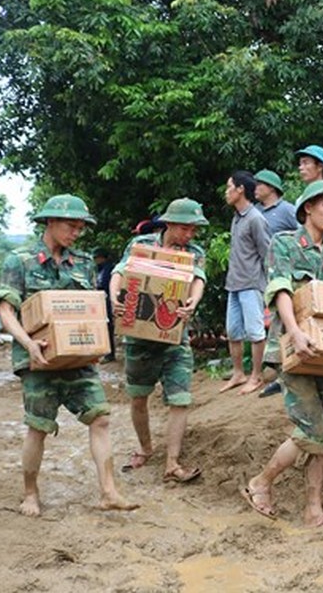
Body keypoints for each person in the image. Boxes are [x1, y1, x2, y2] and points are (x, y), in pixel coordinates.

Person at [0, 194, 139, 517]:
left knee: (100, 417)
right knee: (39, 426)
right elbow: (5, 309)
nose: (76, 233)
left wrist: (96, 345)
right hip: (38, 360)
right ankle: (30, 494)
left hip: (78, 360)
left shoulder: (84, 262)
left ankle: (109, 491)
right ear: (49, 222)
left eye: (80, 228)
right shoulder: (20, 260)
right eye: (70, 226)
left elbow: (88, 310)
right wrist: (28, 343)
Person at [243, 180, 323, 526]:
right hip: (294, 350)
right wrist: (295, 333)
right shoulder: (285, 244)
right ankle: (261, 482)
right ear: (308, 208)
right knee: (311, 429)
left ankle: (314, 510)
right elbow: (279, 288)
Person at [110, 198, 209, 483]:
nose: (189, 235)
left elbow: (197, 279)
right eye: (184, 229)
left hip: (176, 338)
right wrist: (115, 297)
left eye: (193, 230)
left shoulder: (194, 252)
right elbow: (120, 272)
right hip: (139, 339)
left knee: (180, 400)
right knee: (138, 397)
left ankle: (172, 462)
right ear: (168, 224)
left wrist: (193, 302)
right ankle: (145, 447)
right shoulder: (142, 245)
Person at [220, 171, 273, 395]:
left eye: (229, 186)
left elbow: (267, 254)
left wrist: (270, 289)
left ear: (240, 189)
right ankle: (238, 372)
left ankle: (257, 375)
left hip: (252, 285)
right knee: (233, 332)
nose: (226, 192)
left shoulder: (255, 219)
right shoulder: (237, 217)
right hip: (234, 284)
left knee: (255, 332)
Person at [253, 169, 298, 234]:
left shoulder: (287, 209)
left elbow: (305, 232)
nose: (254, 188)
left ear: (271, 187)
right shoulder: (255, 209)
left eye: (258, 184)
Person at [93, 247, 116, 363]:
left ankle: (110, 354)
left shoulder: (110, 269)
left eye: (98, 258)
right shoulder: (98, 269)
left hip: (107, 300)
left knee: (108, 327)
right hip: (99, 300)